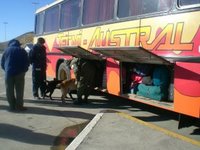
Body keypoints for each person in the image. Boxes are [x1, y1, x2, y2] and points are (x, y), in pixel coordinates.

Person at [1, 39, 29, 111]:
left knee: (9, 90)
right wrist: (24, 70)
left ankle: (12, 106)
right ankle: (19, 106)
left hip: (9, 73)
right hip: (20, 73)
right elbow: (27, 62)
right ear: (18, 44)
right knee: (19, 90)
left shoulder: (6, 51)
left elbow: (2, 63)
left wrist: (6, 70)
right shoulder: (22, 50)